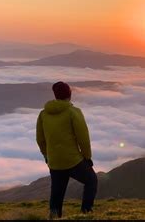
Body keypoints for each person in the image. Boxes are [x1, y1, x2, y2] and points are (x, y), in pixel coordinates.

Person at [36, 81, 97, 219]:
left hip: (54, 162)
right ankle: (86, 214)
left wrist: (46, 156)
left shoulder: (43, 114)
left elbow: (40, 139)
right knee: (92, 180)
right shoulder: (73, 112)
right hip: (73, 160)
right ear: (69, 94)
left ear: (55, 95)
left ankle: (54, 216)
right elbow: (83, 138)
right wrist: (87, 157)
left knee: (57, 194)